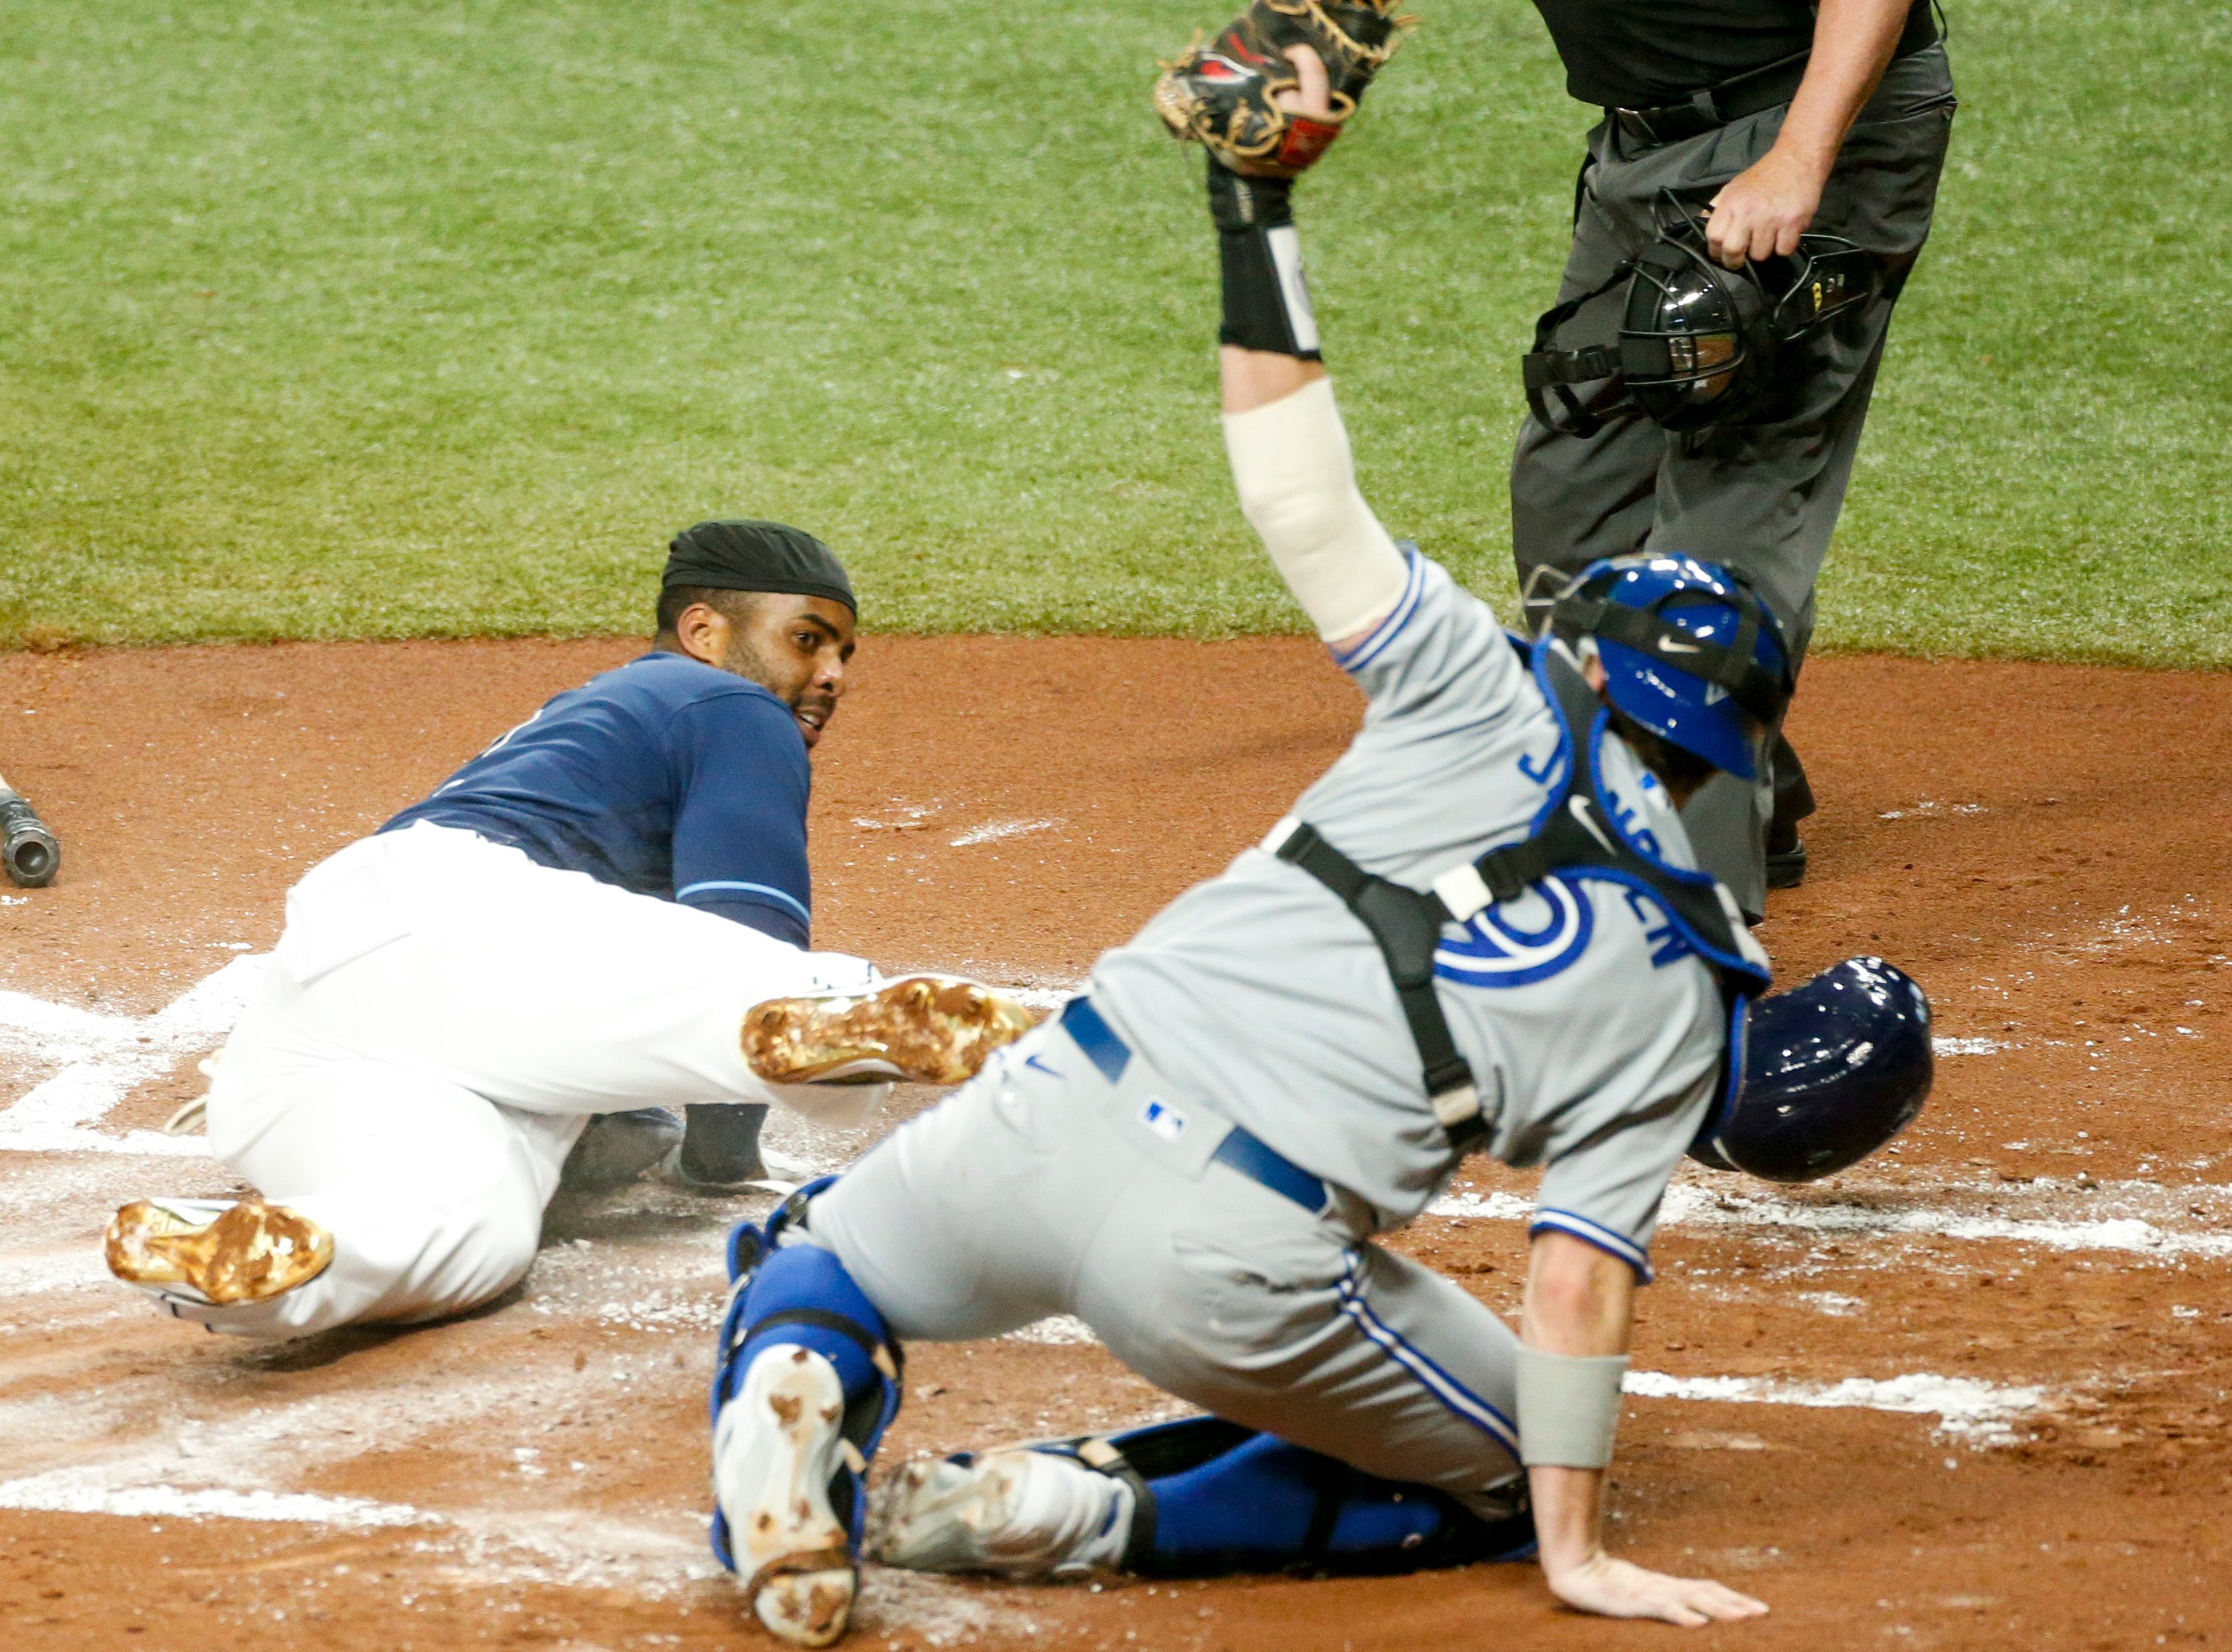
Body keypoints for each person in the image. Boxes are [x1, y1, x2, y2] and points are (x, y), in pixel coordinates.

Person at [697, 134, 1924, 1647]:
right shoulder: (1685, 991)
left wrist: (1252, 208)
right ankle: (1077, 1513)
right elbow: (1572, 1288)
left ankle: (796, 1390)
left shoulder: (1476, 688)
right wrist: (1575, 1551)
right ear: (1727, 756)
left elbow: (1296, 493)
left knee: (807, 1258)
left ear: (1589, 668)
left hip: (1042, 1112)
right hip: (1226, 1264)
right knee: (1489, 1469)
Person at [100, 520, 1034, 1343]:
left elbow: (574, 998)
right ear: (706, 632)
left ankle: (251, 1256)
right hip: (456, 914)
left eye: (843, 655)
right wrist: (716, 1162)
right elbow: (743, 929)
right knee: (785, 997)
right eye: (807, 639)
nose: (830, 674)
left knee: (472, 1229)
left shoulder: (599, 713)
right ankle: (857, 1023)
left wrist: (618, 1115)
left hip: (318, 1025)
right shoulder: (728, 705)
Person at [1511, 0, 1958, 910]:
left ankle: (1683, 932)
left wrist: (1800, 154)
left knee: (1725, 526)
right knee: (1570, 496)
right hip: (1638, 151)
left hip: (1800, 129)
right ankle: (1739, 786)